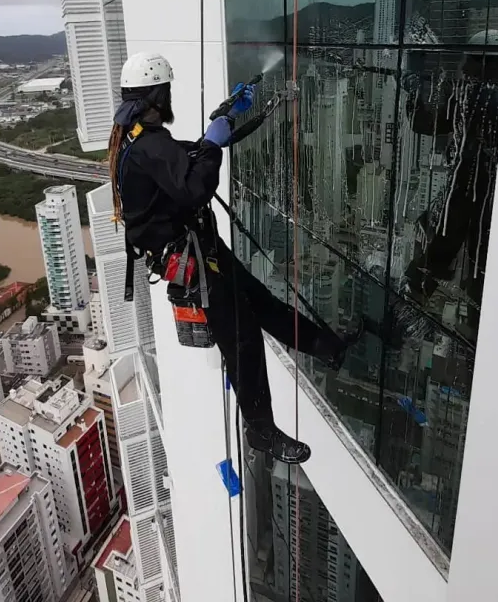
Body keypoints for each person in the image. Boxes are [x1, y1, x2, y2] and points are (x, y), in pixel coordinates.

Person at [109, 52, 361, 465]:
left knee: (262, 304)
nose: (169, 97)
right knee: (241, 339)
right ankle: (261, 430)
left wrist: (224, 118)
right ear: (156, 95)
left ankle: (327, 347)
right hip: (193, 264)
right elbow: (192, 188)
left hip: (197, 252)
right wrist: (211, 143)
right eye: (166, 91)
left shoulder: (139, 137)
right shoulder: (149, 145)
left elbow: (181, 159)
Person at [392, 29, 498, 344]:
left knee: (456, 252)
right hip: (489, 208)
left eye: (468, 60)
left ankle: (419, 308)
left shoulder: (480, 96)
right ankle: (475, 332)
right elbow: (431, 122)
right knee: (477, 270)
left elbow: (429, 122)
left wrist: (415, 84)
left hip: (475, 201)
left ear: (485, 64)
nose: (462, 66)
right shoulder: (496, 96)